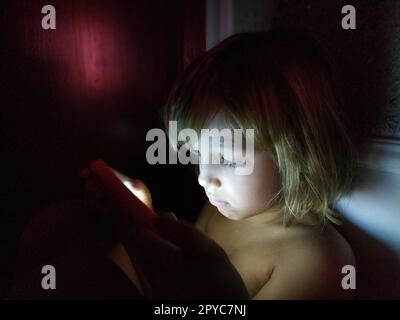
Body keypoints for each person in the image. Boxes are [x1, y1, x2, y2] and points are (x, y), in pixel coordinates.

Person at [159, 29, 357, 299]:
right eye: (195, 153)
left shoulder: (315, 262)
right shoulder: (222, 207)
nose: (203, 178)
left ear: (296, 150)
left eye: (225, 159)